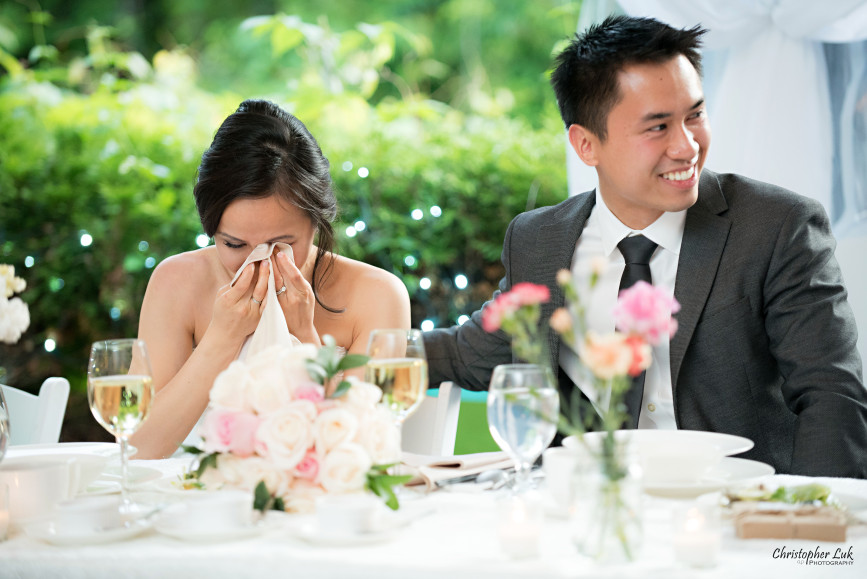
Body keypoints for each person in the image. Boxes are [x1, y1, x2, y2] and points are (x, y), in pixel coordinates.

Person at [424, 15, 867, 478]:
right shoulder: (539, 239)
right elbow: (470, 352)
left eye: (695, 114)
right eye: (658, 127)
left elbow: (831, 395)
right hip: (588, 512)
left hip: (734, 509)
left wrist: (812, 523)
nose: (687, 146)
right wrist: (356, 350)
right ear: (586, 145)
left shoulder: (776, 227)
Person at [131, 100, 410, 459]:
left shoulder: (377, 294)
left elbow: (363, 455)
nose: (256, 259)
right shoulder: (176, 282)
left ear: (317, 223)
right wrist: (221, 339)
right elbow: (138, 449)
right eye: (233, 243)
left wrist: (307, 341)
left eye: (281, 244)